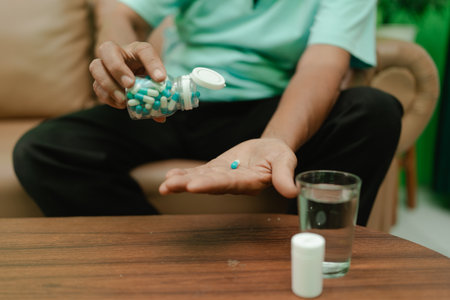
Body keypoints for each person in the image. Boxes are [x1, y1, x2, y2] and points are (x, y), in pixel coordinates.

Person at [13, 0, 403, 226]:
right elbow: (122, 11)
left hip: (271, 110)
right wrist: (119, 49)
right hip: (178, 104)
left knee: (375, 110)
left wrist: (275, 140)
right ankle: (157, 259)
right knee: (45, 148)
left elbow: (322, 65)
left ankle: (307, 257)